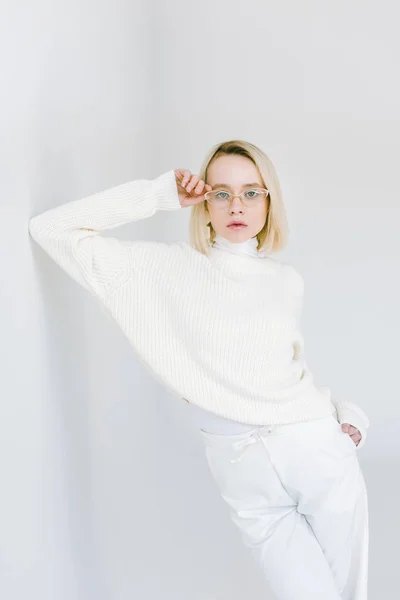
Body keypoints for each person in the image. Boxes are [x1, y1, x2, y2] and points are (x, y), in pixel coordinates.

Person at [29, 139, 370, 599]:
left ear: (270, 203)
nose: (236, 204)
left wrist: (345, 415)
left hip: (315, 448)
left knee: (350, 592)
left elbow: (285, 370)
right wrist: (157, 195)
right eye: (221, 192)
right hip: (238, 464)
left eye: (252, 192)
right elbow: (50, 228)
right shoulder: (163, 269)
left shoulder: (287, 282)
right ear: (203, 201)